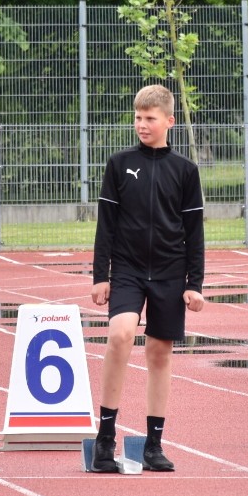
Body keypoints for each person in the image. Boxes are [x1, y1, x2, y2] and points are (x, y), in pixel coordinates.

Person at [90, 84, 205, 473]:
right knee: (120, 334)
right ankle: (105, 438)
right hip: (127, 269)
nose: (142, 124)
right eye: (138, 117)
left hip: (171, 273)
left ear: (169, 121)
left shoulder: (185, 171)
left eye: (150, 118)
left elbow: (195, 231)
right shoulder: (119, 164)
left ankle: (154, 445)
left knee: (159, 353)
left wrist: (195, 283)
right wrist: (100, 275)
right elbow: (106, 225)